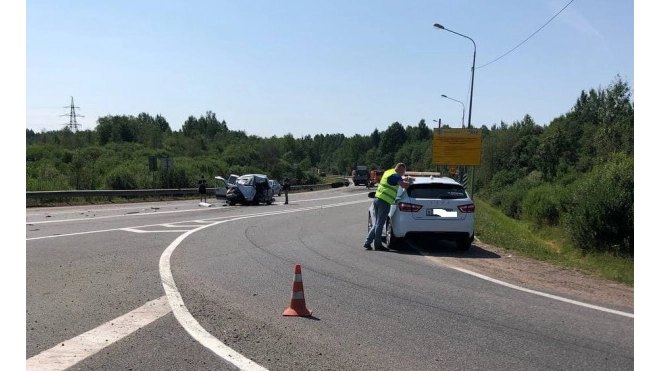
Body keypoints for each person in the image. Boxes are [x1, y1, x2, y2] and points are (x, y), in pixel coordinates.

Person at [363, 163, 414, 250]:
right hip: (385, 201)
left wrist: (404, 178)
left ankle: (367, 242)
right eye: (403, 171)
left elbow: (395, 180)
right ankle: (378, 245)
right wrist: (410, 182)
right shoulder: (396, 176)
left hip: (377, 198)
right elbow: (404, 185)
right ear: (400, 170)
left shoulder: (389, 172)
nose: (403, 173)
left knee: (376, 224)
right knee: (380, 224)